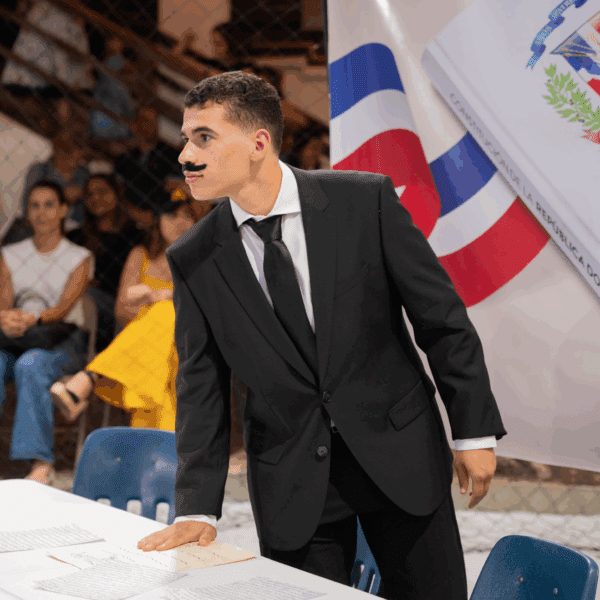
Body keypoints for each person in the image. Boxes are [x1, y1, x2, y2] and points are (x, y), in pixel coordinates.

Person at [137, 71, 507, 600]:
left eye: (204, 138)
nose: (185, 156)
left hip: (400, 453)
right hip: (290, 478)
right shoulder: (192, 257)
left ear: (258, 143)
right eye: (185, 139)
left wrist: (472, 432)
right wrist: (197, 506)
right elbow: (202, 387)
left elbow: (441, 320)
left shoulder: (365, 201)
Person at [50, 193, 199, 431]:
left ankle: (89, 378)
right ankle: (164, 447)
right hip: (148, 347)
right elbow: (121, 310)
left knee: (167, 313)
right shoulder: (141, 255)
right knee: (159, 344)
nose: (180, 222)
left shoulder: (201, 261)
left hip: (187, 342)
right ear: (158, 220)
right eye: (172, 215)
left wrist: (167, 301)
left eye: (187, 216)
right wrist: (153, 300)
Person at [0, 180, 94, 484]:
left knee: (32, 364)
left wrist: (34, 319)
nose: (41, 213)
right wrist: (6, 319)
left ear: (64, 210)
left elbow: (64, 307)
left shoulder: (79, 256)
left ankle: (41, 465)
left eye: (49, 205)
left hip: (62, 341)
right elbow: (4, 302)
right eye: (35, 206)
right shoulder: (10, 254)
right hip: (16, 339)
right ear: (27, 213)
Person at [67, 174, 143, 352]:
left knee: (88, 296)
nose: (95, 198)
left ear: (116, 194)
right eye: (89, 194)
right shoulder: (76, 236)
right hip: (75, 299)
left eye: (102, 191)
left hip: (112, 305)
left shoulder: (134, 237)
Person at [1, 130, 89, 246]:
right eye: (67, 150)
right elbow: (28, 207)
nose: (73, 156)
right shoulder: (39, 170)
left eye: (78, 148)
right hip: (33, 231)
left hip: (67, 235)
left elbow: (82, 215)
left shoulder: (83, 174)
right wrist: (62, 197)